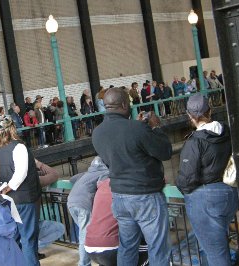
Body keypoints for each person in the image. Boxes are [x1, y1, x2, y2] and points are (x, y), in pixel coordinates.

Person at [92, 87, 172, 265]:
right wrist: (156, 127)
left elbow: (111, 161)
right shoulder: (137, 128)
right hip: (146, 196)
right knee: (158, 247)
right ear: (123, 104)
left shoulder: (97, 133)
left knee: (127, 247)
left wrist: (138, 128)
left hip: (120, 197)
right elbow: (165, 152)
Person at [176, 94, 238, 266]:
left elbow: (187, 179)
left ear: (190, 116)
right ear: (210, 110)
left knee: (215, 254)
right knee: (220, 246)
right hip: (229, 193)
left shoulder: (194, 142)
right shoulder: (226, 131)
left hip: (205, 200)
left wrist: (181, 187)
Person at [0, 115, 42, 266]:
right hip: (24, 198)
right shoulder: (18, 146)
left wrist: (1, 190)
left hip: (6, 201)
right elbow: (21, 173)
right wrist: (9, 187)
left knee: (14, 239)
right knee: (28, 239)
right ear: (12, 127)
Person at [85, 179, 149, 266]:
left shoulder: (104, 184)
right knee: (151, 247)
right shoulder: (130, 184)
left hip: (90, 246)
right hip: (111, 248)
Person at [67, 157, 109, 266]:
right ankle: (84, 264)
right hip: (83, 205)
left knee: (84, 233)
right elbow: (103, 185)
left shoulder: (86, 173)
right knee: (85, 237)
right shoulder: (105, 172)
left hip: (71, 203)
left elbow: (72, 179)